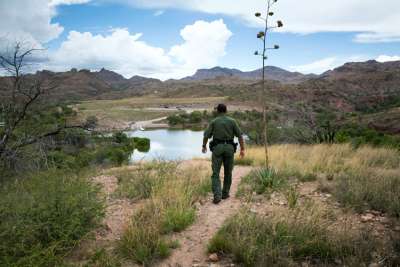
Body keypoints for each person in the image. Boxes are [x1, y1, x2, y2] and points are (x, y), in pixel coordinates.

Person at [202, 104, 245, 204]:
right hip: (230, 148)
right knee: (228, 172)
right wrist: (242, 149)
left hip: (217, 148)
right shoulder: (232, 121)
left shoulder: (214, 121)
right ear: (226, 110)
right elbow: (240, 136)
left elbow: (206, 135)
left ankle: (217, 195)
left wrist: (204, 146)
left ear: (217, 111)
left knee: (215, 173)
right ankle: (225, 193)